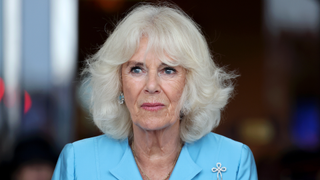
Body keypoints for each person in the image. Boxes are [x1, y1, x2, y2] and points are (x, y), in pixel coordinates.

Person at [52, 3, 258, 180]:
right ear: (118, 83)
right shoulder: (78, 163)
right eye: (137, 69)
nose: (151, 86)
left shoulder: (234, 161)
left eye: (168, 70)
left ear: (190, 84)